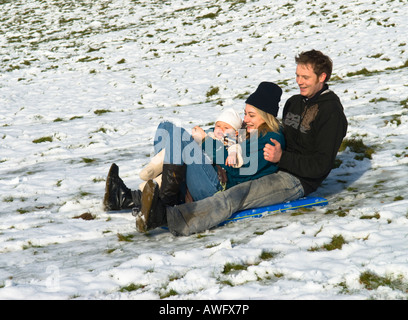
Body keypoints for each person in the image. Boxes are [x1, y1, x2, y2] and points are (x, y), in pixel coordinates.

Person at [135, 49, 348, 236]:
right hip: (273, 163)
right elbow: (273, 132)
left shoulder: (332, 113)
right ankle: (153, 194)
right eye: (297, 76)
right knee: (171, 133)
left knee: (237, 195)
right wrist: (231, 136)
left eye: (305, 77)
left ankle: (170, 217)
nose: (299, 81)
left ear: (322, 77)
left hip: (297, 180)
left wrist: (282, 157)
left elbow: (321, 165)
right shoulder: (294, 103)